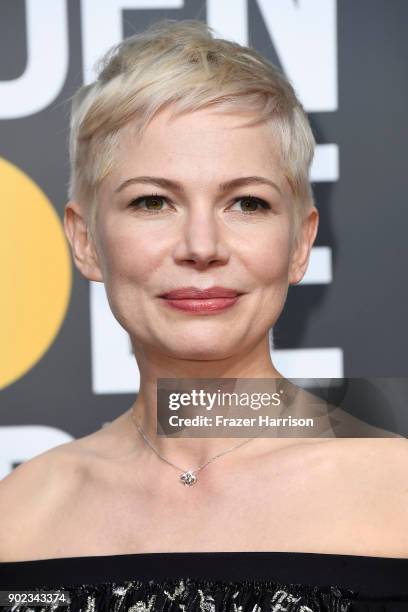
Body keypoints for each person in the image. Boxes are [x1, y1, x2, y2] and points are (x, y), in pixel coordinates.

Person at [0, 18, 407, 612]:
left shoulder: (397, 489)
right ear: (86, 241)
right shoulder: (20, 515)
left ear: (299, 243)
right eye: (152, 201)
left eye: (247, 202)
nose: (201, 244)